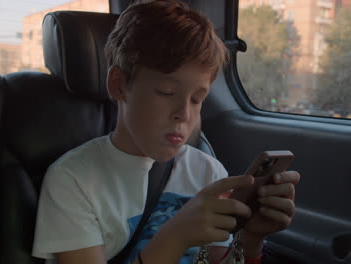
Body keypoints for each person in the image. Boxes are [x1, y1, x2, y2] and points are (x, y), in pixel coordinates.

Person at [32, 1, 301, 264]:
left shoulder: (208, 172)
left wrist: (251, 238)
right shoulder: (72, 181)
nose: (184, 113)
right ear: (119, 85)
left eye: (197, 99)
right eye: (166, 92)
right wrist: (175, 237)